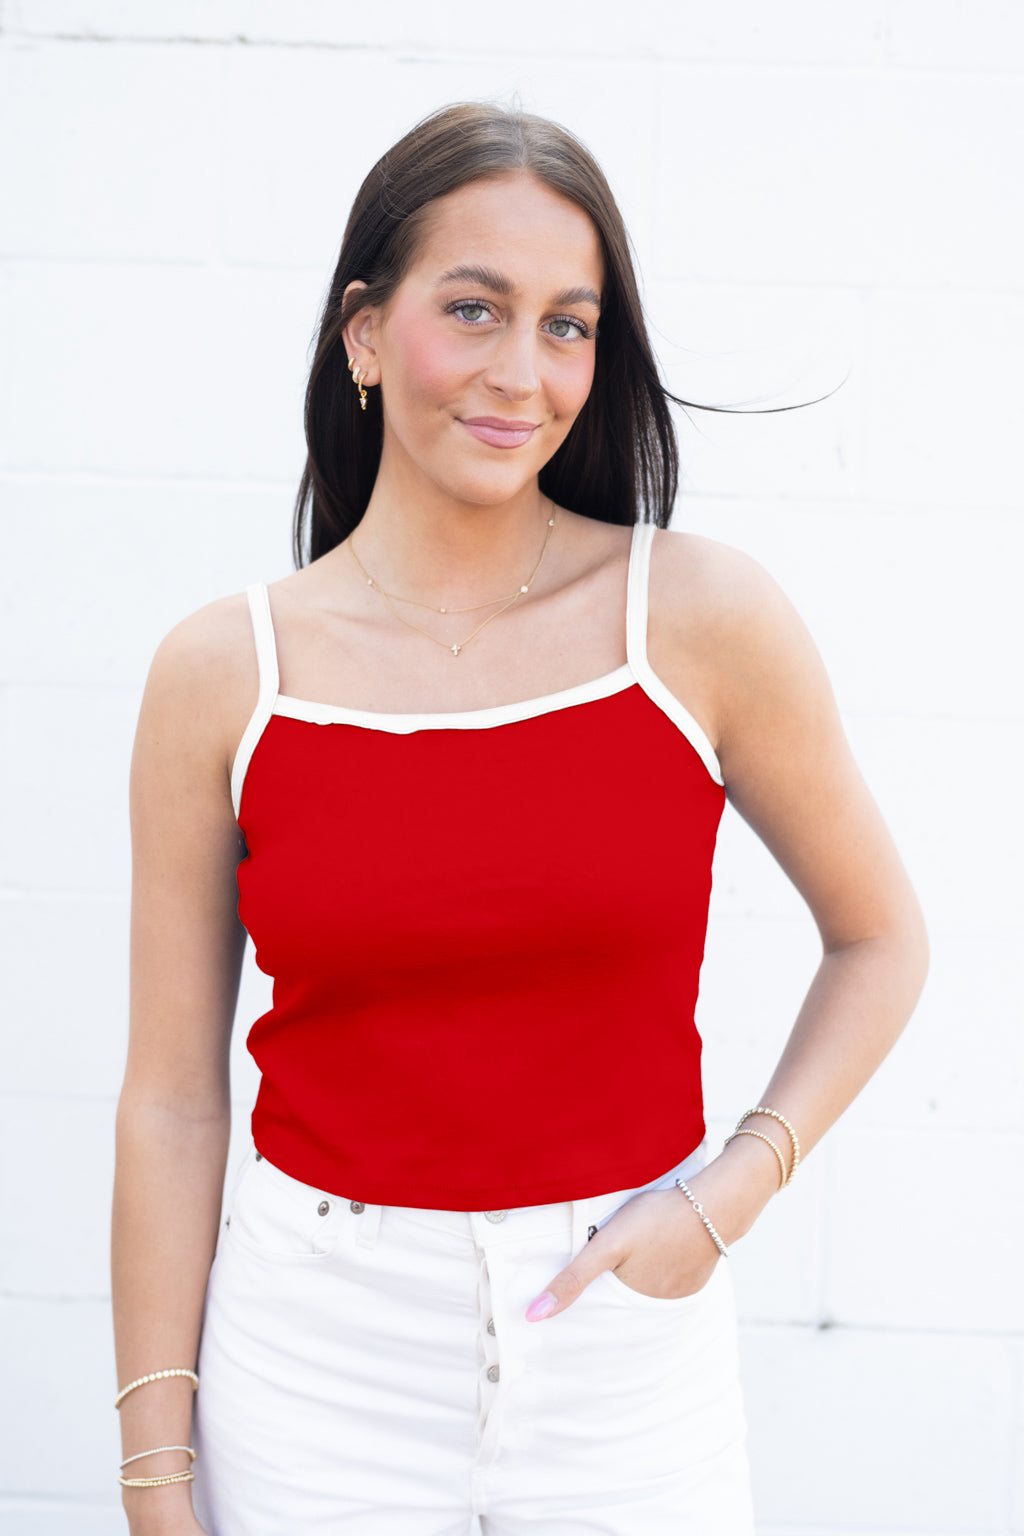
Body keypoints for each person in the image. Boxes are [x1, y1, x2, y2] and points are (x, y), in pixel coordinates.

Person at [111, 102, 929, 1536]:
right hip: (314, 1358)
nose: (521, 373)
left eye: (568, 326)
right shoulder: (225, 672)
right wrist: (151, 1464)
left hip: (625, 1355)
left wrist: (730, 1195)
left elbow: (881, 939)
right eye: (473, 309)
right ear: (365, 335)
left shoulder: (697, 620)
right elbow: (174, 1096)